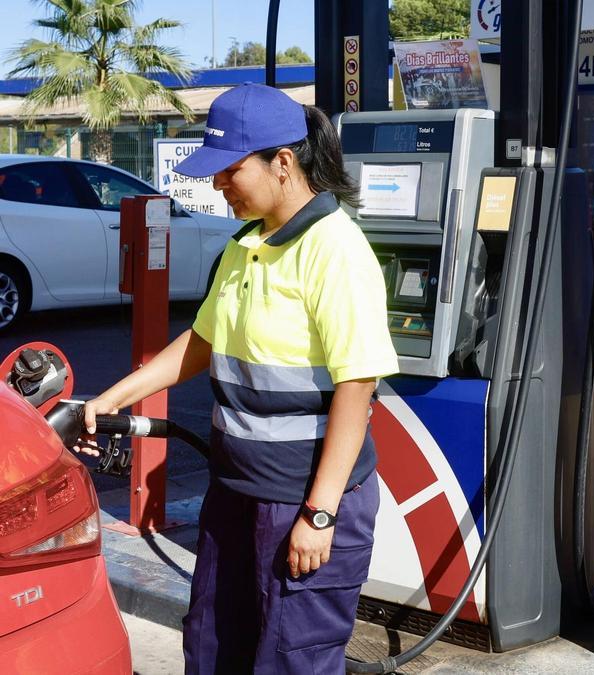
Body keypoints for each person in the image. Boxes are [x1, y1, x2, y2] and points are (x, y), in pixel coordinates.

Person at [75, 83, 397, 674]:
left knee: (290, 660)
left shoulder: (335, 250)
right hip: (235, 491)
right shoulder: (245, 245)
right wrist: (112, 398)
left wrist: (320, 514)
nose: (218, 185)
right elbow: (201, 343)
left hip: (302, 499)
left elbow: (358, 388)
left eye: (229, 170)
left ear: (283, 163)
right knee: (214, 643)